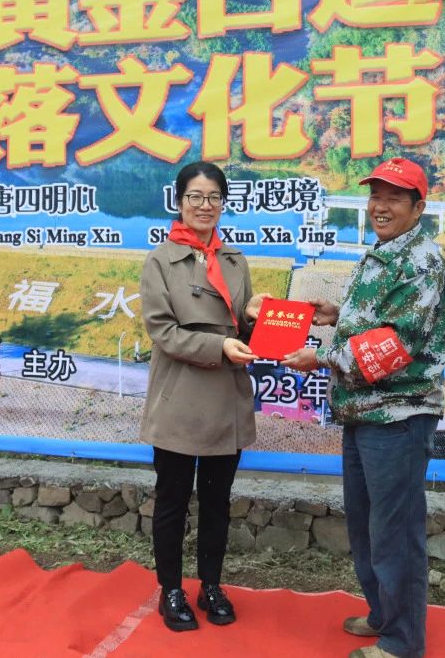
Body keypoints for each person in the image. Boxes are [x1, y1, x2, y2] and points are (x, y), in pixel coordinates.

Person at [283, 157, 445, 658]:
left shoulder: (422, 263)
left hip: (398, 416)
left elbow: (396, 345)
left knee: (395, 532)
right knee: (366, 524)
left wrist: (321, 358)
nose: (381, 206)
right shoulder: (384, 252)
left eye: (395, 198)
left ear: (418, 208)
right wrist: (338, 315)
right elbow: (376, 321)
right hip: (363, 412)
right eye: (376, 195)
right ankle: (383, 614)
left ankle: (402, 642)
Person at [139, 161, 261, 632]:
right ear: (179, 201)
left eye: (213, 197)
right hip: (179, 400)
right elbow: (163, 331)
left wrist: (254, 319)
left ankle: (211, 585)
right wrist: (219, 347)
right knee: (171, 500)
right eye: (195, 196)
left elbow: (241, 327)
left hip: (226, 400)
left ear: (223, 203)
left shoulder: (235, 260)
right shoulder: (160, 261)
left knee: (217, 502)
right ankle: (171, 589)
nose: (204, 205)